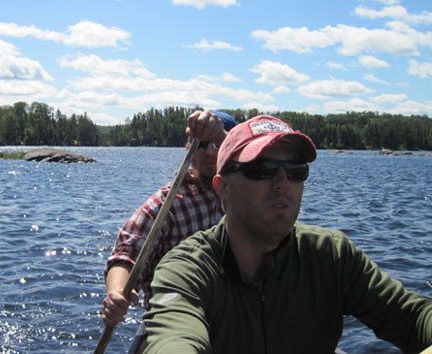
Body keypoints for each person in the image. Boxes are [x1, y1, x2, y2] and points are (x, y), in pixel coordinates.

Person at [142, 115, 432, 353]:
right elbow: (175, 338)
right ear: (223, 188)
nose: (283, 183)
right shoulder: (187, 269)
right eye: (263, 169)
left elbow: (412, 317)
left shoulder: (330, 254)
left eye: (296, 171)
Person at [102, 110, 237, 328]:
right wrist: (117, 293)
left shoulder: (247, 194)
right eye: (202, 144)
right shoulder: (167, 203)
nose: (211, 153)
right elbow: (126, 254)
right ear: (189, 151)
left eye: (219, 144)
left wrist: (222, 136)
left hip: (234, 322)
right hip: (177, 324)